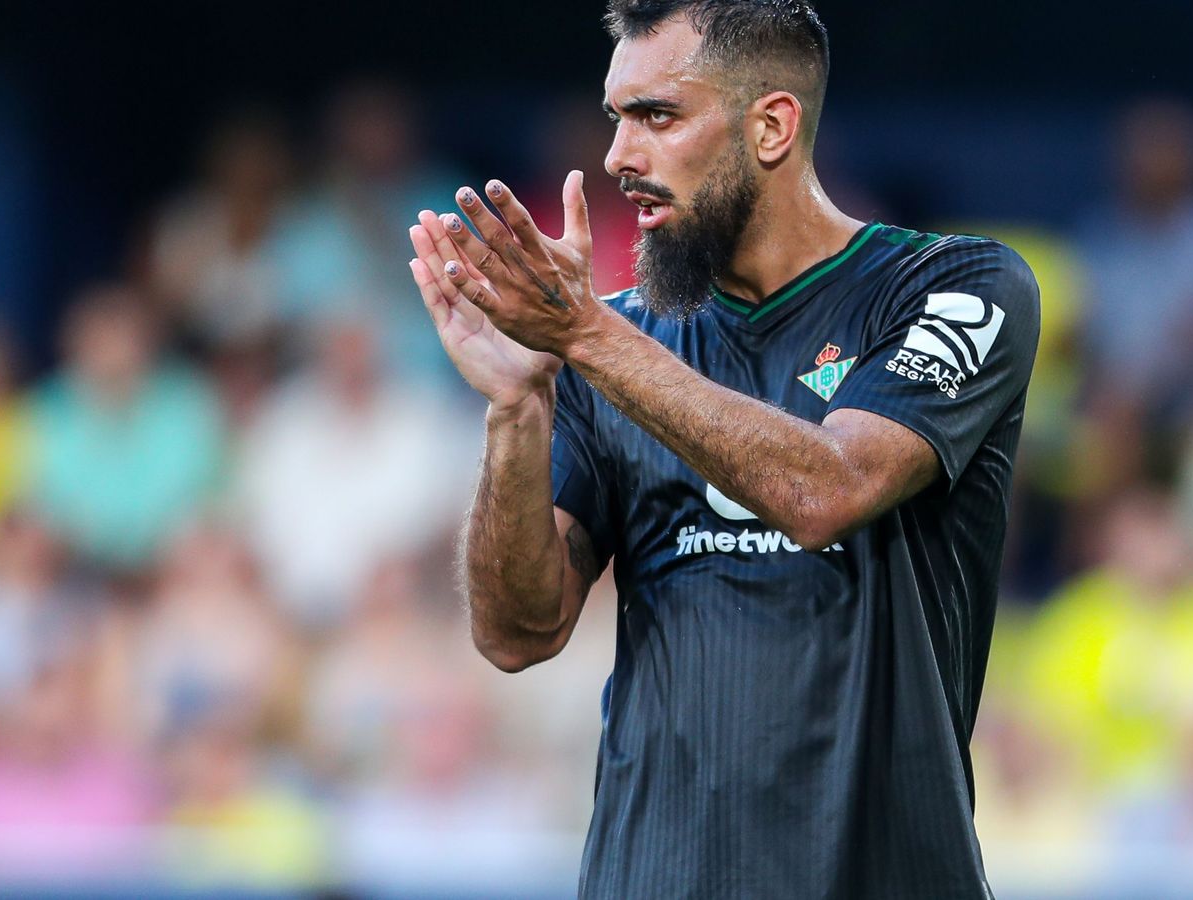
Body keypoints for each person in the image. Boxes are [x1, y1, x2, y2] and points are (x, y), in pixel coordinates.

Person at [404, 1, 1041, 894]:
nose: (621, 157)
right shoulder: (605, 347)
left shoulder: (956, 288)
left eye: (658, 116)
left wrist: (585, 338)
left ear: (771, 126)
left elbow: (830, 489)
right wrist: (517, 405)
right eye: (616, 118)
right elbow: (516, 633)